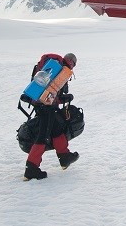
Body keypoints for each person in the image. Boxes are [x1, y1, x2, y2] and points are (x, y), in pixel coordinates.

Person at [23, 52, 79, 181]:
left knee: (56, 129)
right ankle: (31, 168)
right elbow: (53, 94)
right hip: (46, 106)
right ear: (71, 62)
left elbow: (47, 90)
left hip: (42, 103)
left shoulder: (50, 66)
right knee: (42, 135)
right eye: (73, 64)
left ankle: (65, 157)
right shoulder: (61, 70)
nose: (72, 67)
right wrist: (65, 98)